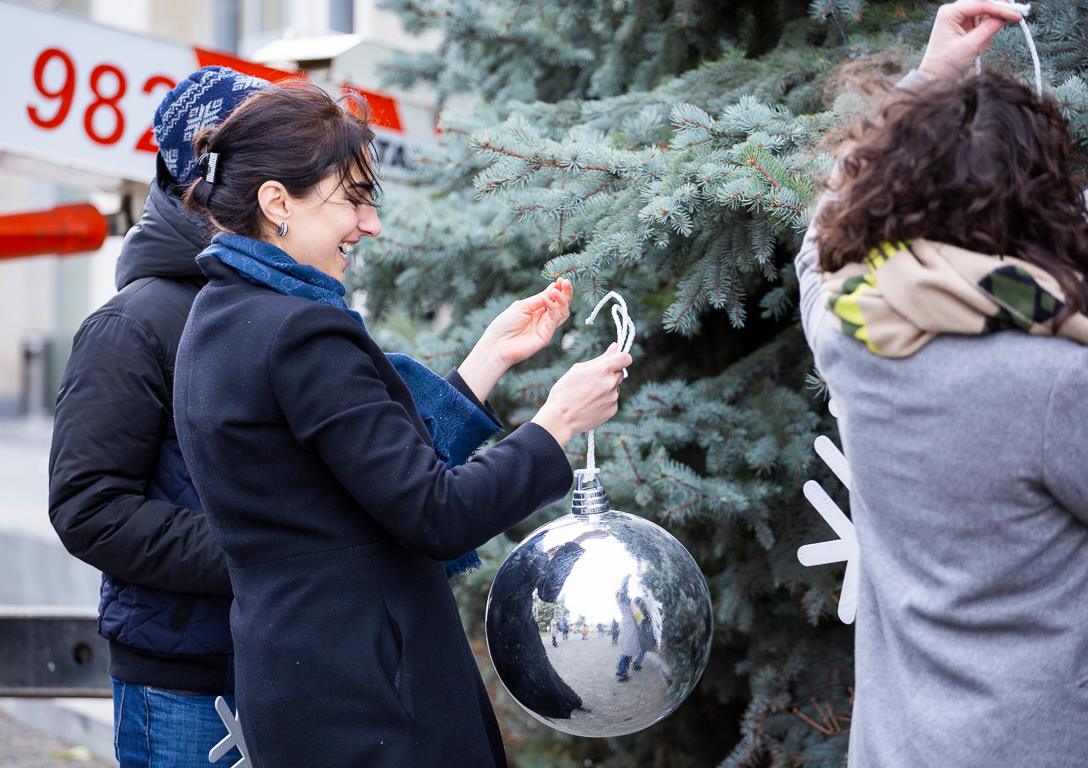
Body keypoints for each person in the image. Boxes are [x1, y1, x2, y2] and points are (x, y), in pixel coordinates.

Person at [172, 81, 631, 768]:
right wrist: (557, 421)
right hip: (374, 701)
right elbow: (434, 512)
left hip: (297, 687)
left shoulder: (218, 318)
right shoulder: (302, 334)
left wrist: (488, 358)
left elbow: (366, 472)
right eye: (353, 199)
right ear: (277, 202)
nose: (371, 224)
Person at [797, 2, 1088, 765]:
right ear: (1042, 201)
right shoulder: (1060, 378)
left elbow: (818, 244)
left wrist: (927, 80)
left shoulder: (858, 329)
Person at [48, 66, 267, 768]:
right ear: (207, 177)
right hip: (182, 682)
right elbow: (88, 507)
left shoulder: (279, 305)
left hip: (282, 655)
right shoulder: (133, 325)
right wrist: (261, 552)